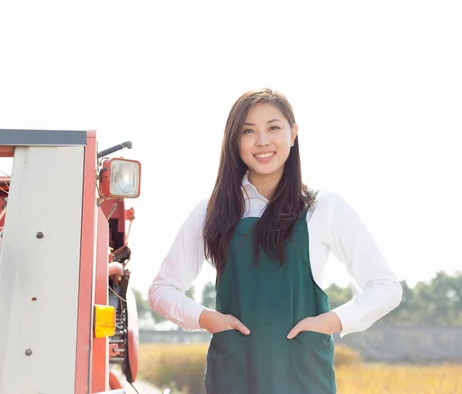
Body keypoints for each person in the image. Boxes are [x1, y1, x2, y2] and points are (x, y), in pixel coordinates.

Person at [148, 88, 403, 393]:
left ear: (293, 135)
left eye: (273, 128)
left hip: (302, 374)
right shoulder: (211, 210)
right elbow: (161, 290)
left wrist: (332, 322)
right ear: (235, 140)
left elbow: (386, 288)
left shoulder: (325, 208)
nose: (262, 141)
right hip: (234, 375)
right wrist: (205, 318)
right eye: (248, 131)